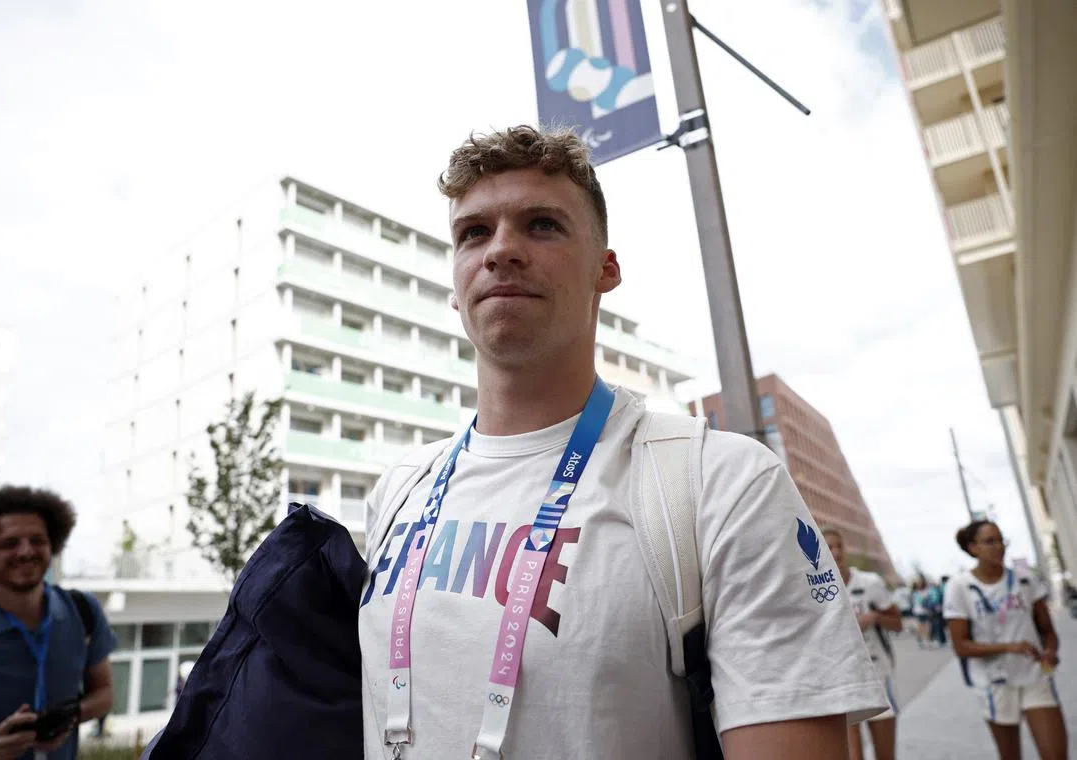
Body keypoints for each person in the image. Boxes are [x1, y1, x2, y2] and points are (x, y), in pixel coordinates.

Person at [357, 125, 887, 759]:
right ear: (455, 283)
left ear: (605, 270)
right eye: (474, 232)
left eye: (542, 225)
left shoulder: (720, 483)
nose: (501, 250)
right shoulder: (399, 491)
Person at [0, 486, 118, 760]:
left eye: (37, 540)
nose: (26, 552)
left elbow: (104, 692)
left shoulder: (84, 613)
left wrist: (69, 715)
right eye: (10, 543)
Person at [945, 519, 1067, 760]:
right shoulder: (959, 586)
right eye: (990, 541)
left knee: (1055, 753)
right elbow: (961, 646)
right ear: (973, 548)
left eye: (1001, 540)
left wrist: (1051, 651)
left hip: (1033, 675)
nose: (999, 546)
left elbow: (1047, 631)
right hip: (994, 682)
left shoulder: (1024, 580)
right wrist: (1009, 647)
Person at [823, 527, 903, 760]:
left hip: (877, 673)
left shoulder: (869, 583)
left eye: (839, 546)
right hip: (842, 677)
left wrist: (875, 617)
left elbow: (898, 623)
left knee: (885, 754)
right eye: (829, 547)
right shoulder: (817, 588)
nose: (836, 552)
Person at [910, 577, 930, 648]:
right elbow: (918, 602)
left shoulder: (922, 592)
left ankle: (924, 640)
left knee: (924, 626)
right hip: (921, 611)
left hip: (923, 611)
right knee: (923, 626)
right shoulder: (918, 593)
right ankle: (924, 640)